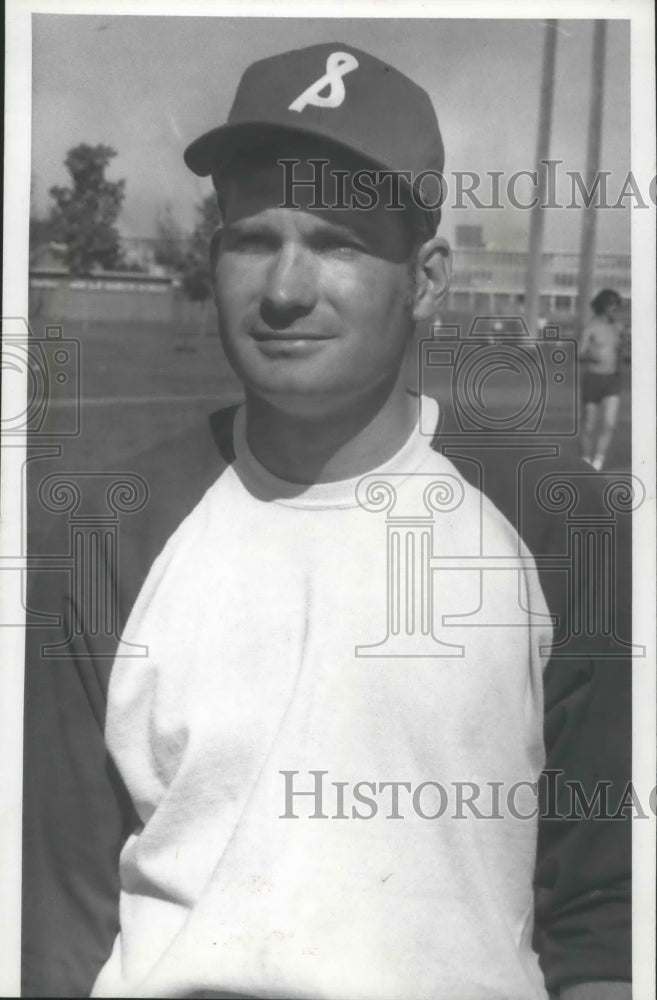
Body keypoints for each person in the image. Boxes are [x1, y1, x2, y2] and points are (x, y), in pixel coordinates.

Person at [22, 42, 631, 1000]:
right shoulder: (112, 526)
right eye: (251, 239)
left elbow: (608, 916)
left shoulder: (561, 526)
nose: (284, 290)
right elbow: (48, 908)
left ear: (425, 279)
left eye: (337, 242)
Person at [580, 288, 625, 471]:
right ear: (603, 306)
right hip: (593, 379)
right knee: (589, 424)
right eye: (611, 305)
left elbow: (621, 350)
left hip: (612, 381)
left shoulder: (618, 328)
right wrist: (592, 357)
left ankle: (597, 462)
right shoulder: (591, 326)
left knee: (609, 423)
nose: (615, 309)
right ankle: (585, 460)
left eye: (616, 305)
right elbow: (580, 352)